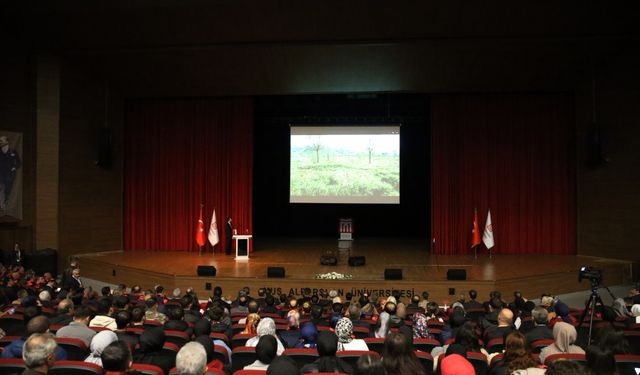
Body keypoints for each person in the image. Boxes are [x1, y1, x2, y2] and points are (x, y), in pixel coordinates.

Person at [0, 135, 21, 211]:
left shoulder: (13, 152)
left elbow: (19, 162)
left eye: (2, 140)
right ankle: (1, 205)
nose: (0, 142)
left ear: (7, 142)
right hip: (1, 173)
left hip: (9, 175)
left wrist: (14, 167)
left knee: (7, 190)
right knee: (1, 188)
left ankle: (5, 203)